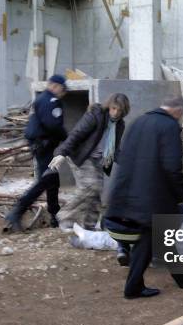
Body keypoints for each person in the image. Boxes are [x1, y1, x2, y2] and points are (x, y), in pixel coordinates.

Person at [103, 95, 183, 299]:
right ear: (177, 111)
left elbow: (123, 156)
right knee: (155, 235)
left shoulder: (138, 121)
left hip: (129, 190)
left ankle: (180, 277)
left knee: (154, 236)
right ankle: (136, 287)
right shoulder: (169, 127)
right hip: (153, 194)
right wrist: (182, 193)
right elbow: (172, 166)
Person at [48, 93, 130, 232]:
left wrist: (130, 164)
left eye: (119, 110)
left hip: (96, 159)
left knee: (97, 191)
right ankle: (64, 217)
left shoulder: (119, 125)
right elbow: (76, 134)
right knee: (90, 186)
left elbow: (114, 150)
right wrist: (61, 153)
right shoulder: (95, 115)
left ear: (124, 111)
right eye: (113, 108)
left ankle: (89, 225)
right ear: (109, 106)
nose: (115, 113)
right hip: (81, 156)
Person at [4, 74, 68, 232]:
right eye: (62, 88)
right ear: (54, 86)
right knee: (45, 181)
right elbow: (53, 125)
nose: (63, 92)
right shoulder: (50, 101)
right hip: (44, 145)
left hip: (42, 145)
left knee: (52, 180)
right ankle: (16, 212)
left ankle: (55, 217)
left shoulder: (42, 99)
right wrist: (68, 138)